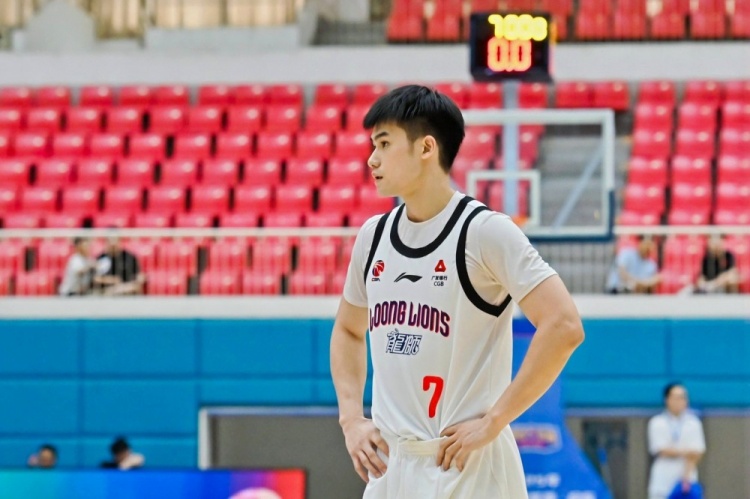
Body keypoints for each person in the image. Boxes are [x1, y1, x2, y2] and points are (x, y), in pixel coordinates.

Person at [330, 85, 584, 498]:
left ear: (426, 147)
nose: (372, 159)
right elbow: (347, 330)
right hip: (392, 467)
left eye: (384, 143)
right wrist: (350, 420)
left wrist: (495, 420)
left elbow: (564, 325)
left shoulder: (484, 232)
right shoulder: (373, 236)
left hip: (467, 465)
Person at [647, 383, 706, 499]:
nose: (680, 401)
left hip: (687, 480)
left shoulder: (693, 423)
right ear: (667, 400)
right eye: (676, 398)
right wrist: (686, 452)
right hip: (662, 480)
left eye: (683, 398)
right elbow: (661, 450)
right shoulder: (657, 422)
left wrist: (686, 477)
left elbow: (697, 452)